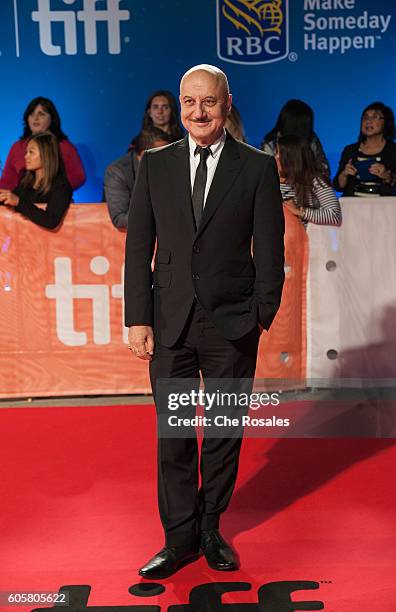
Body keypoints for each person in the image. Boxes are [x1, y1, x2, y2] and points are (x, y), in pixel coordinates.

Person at [124, 64, 285, 579]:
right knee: (173, 436)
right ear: (179, 102)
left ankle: (211, 528)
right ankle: (178, 539)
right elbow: (138, 249)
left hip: (232, 322)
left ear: (227, 103)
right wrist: (137, 318)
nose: (197, 112)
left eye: (208, 102)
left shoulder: (257, 167)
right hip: (169, 320)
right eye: (189, 102)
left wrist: (262, 312)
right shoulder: (155, 164)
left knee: (221, 431)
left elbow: (271, 247)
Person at [0, 97, 85, 192]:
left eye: (41, 114)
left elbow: (78, 177)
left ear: (52, 119)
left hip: (55, 202)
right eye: (31, 114)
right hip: (21, 202)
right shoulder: (17, 147)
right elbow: (7, 182)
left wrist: (52, 191)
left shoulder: (64, 146)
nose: (35, 118)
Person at [0, 132, 72, 229]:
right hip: (22, 241)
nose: (26, 156)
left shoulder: (61, 185)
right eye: (26, 152)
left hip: (50, 243)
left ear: (46, 154)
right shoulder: (26, 182)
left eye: (31, 152)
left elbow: (51, 220)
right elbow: (12, 200)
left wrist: (18, 202)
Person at [333, 102, 396, 197]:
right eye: (365, 118)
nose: (368, 121)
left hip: (384, 208)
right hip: (352, 206)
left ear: (386, 122)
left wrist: (387, 177)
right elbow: (339, 187)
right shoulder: (350, 150)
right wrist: (344, 174)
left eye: (375, 117)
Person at [104, 127, 172, 229]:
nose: (168, 158)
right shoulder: (118, 172)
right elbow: (120, 218)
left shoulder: (171, 166)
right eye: (163, 154)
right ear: (145, 155)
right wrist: (163, 216)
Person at [276, 135, 342, 226]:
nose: (275, 157)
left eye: (279, 153)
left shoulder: (315, 181)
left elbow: (334, 215)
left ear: (291, 158)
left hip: (303, 237)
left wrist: (300, 212)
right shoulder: (272, 180)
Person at [262, 99, 330, 175]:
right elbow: (265, 175)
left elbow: (325, 170)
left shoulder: (312, 139)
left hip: (308, 185)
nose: (309, 128)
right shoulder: (271, 143)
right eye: (306, 124)